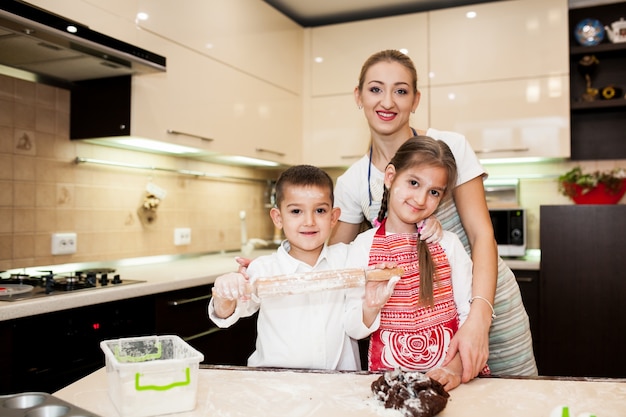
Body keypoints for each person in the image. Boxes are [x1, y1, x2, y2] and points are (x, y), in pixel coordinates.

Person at [331, 49, 537, 381]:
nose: (387, 101)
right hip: (422, 325)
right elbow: (332, 263)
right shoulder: (354, 182)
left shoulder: (448, 146)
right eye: (375, 89)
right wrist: (277, 263)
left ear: (415, 100)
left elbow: (481, 235)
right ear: (358, 96)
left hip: (488, 302)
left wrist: (479, 317)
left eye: (401, 90)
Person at [208, 164, 399, 371]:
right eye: (296, 211)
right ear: (278, 218)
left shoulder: (348, 258)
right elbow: (227, 315)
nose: (309, 221)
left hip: (339, 385)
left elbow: (357, 328)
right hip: (276, 387)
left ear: (334, 217)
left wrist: (371, 305)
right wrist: (225, 292)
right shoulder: (264, 269)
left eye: (320, 210)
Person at [347, 135, 483, 391]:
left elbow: (467, 315)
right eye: (413, 183)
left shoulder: (448, 244)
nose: (421, 200)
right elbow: (353, 329)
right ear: (390, 177)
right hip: (390, 387)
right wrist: (371, 307)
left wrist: (453, 368)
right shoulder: (363, 246)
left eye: (433, 192)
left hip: (451, 380)